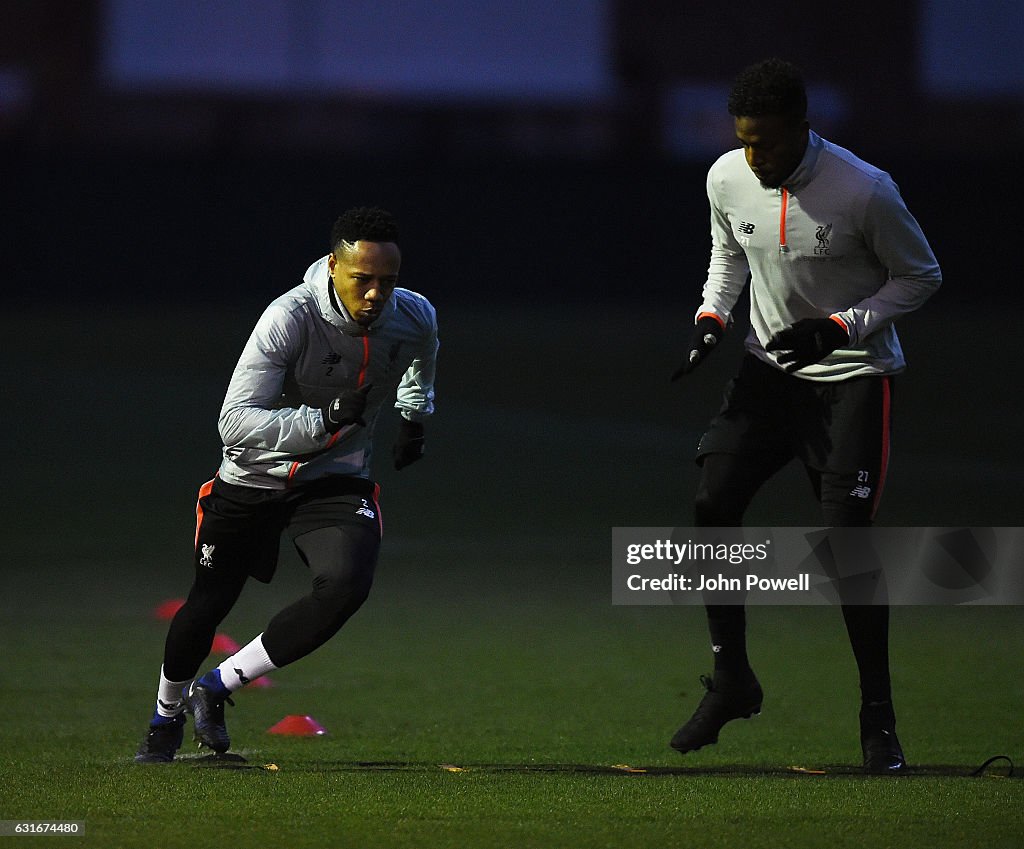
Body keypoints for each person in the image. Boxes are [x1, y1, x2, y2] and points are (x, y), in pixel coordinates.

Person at [669, 58, 941, 774]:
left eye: (767, 142)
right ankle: (732, 679)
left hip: (853, 378)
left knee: (847, 545)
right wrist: (710, 316)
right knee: (711, 500)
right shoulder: (727, 175)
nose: (753, 158)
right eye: (744, 140)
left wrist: (843, 325)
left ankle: (877, 718)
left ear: (802, 126)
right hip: (768, 373)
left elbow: (921, 274)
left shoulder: (865, 189)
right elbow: (727, 252)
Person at [135, 206, 439, 763]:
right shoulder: (289, 317)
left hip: (335, 478)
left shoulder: (413, 315)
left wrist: (413, 419)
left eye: (387, 281)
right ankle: (166, 713)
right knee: (210, 603)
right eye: (362, 279)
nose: (375, 294)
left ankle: (219, 686)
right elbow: (235, 420)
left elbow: (421, 360)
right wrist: (321, 418)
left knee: (346, 585)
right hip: (253, 477)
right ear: (333, 266)